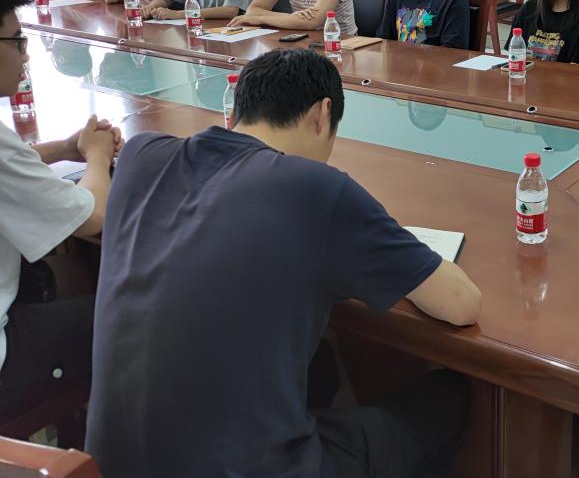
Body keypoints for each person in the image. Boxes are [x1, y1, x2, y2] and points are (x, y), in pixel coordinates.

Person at [87, 48, 481, 478]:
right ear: (322, 114)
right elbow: (461, 303)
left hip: (110, 465)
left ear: (238, 107)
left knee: (321, 364)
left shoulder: (141, 154)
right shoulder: (315, 187)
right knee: (448, 397)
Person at [0, 0, 121, 421]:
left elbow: (15, 163)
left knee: (68, 273)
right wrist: (98, 156)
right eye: (17, 42)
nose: (26, 56)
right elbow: (95, 216)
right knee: (134, 317)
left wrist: (67, 148)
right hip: (6, 356)